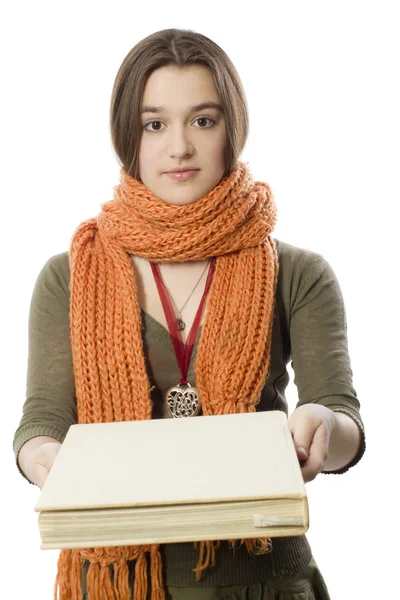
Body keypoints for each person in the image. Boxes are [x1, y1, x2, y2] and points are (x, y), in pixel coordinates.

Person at [13, 28, 366, 600]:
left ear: (234, 128)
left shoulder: (299, 272)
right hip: (116, 581)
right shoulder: (70, 274)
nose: (179, 147)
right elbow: (41, 422)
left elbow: (345, 422)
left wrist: (321, 425)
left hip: (261, 580)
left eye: (203, 120)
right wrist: (49, 460)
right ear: (128, 135)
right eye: (155, 124)